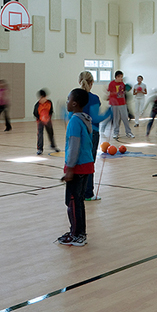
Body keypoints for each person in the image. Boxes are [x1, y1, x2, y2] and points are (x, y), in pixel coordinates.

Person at [56, 88, 93, 247]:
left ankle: (77, 234)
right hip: (86, 166)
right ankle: (79, 232)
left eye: (68, 99)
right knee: (77, 201)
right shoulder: (85, 119)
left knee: (72, 202)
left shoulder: (75, 121)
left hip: (77, 168)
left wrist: (70, 169)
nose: (67, 102)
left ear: (75, 103)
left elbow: (74, 146)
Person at [79, 71, 110, 201]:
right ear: (91, 83)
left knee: (79, 161)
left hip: (78, 133)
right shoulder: (93, 98)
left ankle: (77, 192)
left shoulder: (74, 95)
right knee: (89, 162)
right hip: (92, 134)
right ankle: (88, 193)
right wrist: (110, 112)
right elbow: (96, 118)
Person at [107, 70, 134, 138]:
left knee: (125, 118)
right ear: (116, 77)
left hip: (122, 104)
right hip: (114, 105)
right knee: (116, 119)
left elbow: (123, 92)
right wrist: (110, 97)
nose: (121, 78)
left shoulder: (122, 84)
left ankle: (128, 132)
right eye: (120, 77)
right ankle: (116, 133)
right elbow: (109, 92)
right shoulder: (111, 84)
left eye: (122, 77)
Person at [33, 88, 58, 155]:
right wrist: (40, 119)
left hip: (48, 121)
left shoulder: (49, 103)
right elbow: (35, 113)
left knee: (51, 133)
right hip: (40, 121)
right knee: (40, 134)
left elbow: (51, 111)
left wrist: (48, 118)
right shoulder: (37, 105)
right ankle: (40, 149)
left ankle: (53, 145)